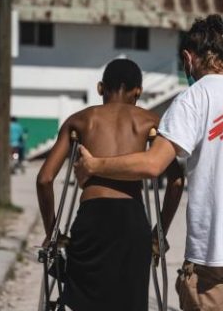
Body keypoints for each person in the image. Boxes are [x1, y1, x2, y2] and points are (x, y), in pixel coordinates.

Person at [75, 15, 223, 310]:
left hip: (213, 256)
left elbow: (154, 164)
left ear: (188, 58)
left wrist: (94, 166)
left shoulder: (193, 99)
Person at [36, 59, 184, 311]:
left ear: (100, 88)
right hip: (132, 223)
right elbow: (176, 181)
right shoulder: (150, 120)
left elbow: (44, 179)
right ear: (138, 91)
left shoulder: (80, 120)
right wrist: (159, 234)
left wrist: (52, 232)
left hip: (91, 222)